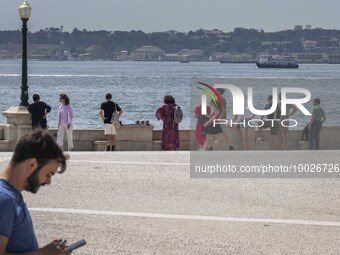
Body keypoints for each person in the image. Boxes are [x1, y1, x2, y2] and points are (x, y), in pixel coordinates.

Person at [0, 131, 69, 254]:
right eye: (48, 174)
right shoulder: (4, 199)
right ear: (32, 164)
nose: (48, 182)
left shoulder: (12, 195)